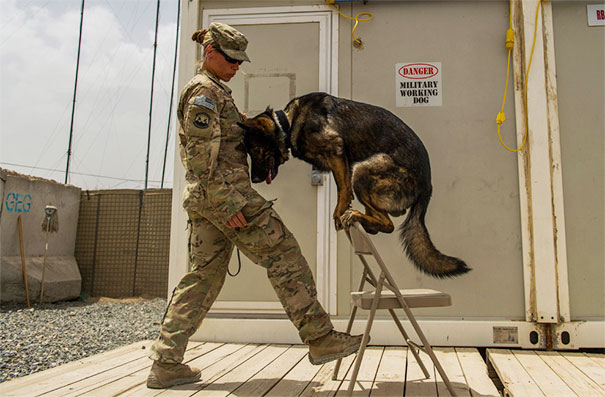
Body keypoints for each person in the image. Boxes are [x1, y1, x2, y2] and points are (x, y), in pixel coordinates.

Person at [146, 22, 362, 389]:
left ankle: (166, 363)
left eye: (240, 60)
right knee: (283, 253)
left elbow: (225, 143)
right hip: (225, 198)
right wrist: (228, 202)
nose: (237, 66)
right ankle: (320, 337)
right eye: (230, 59)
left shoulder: (216, 92)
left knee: (202, 278)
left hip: (208, 201)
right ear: (210, 51)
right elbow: (198, 159)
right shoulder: (204, 94)